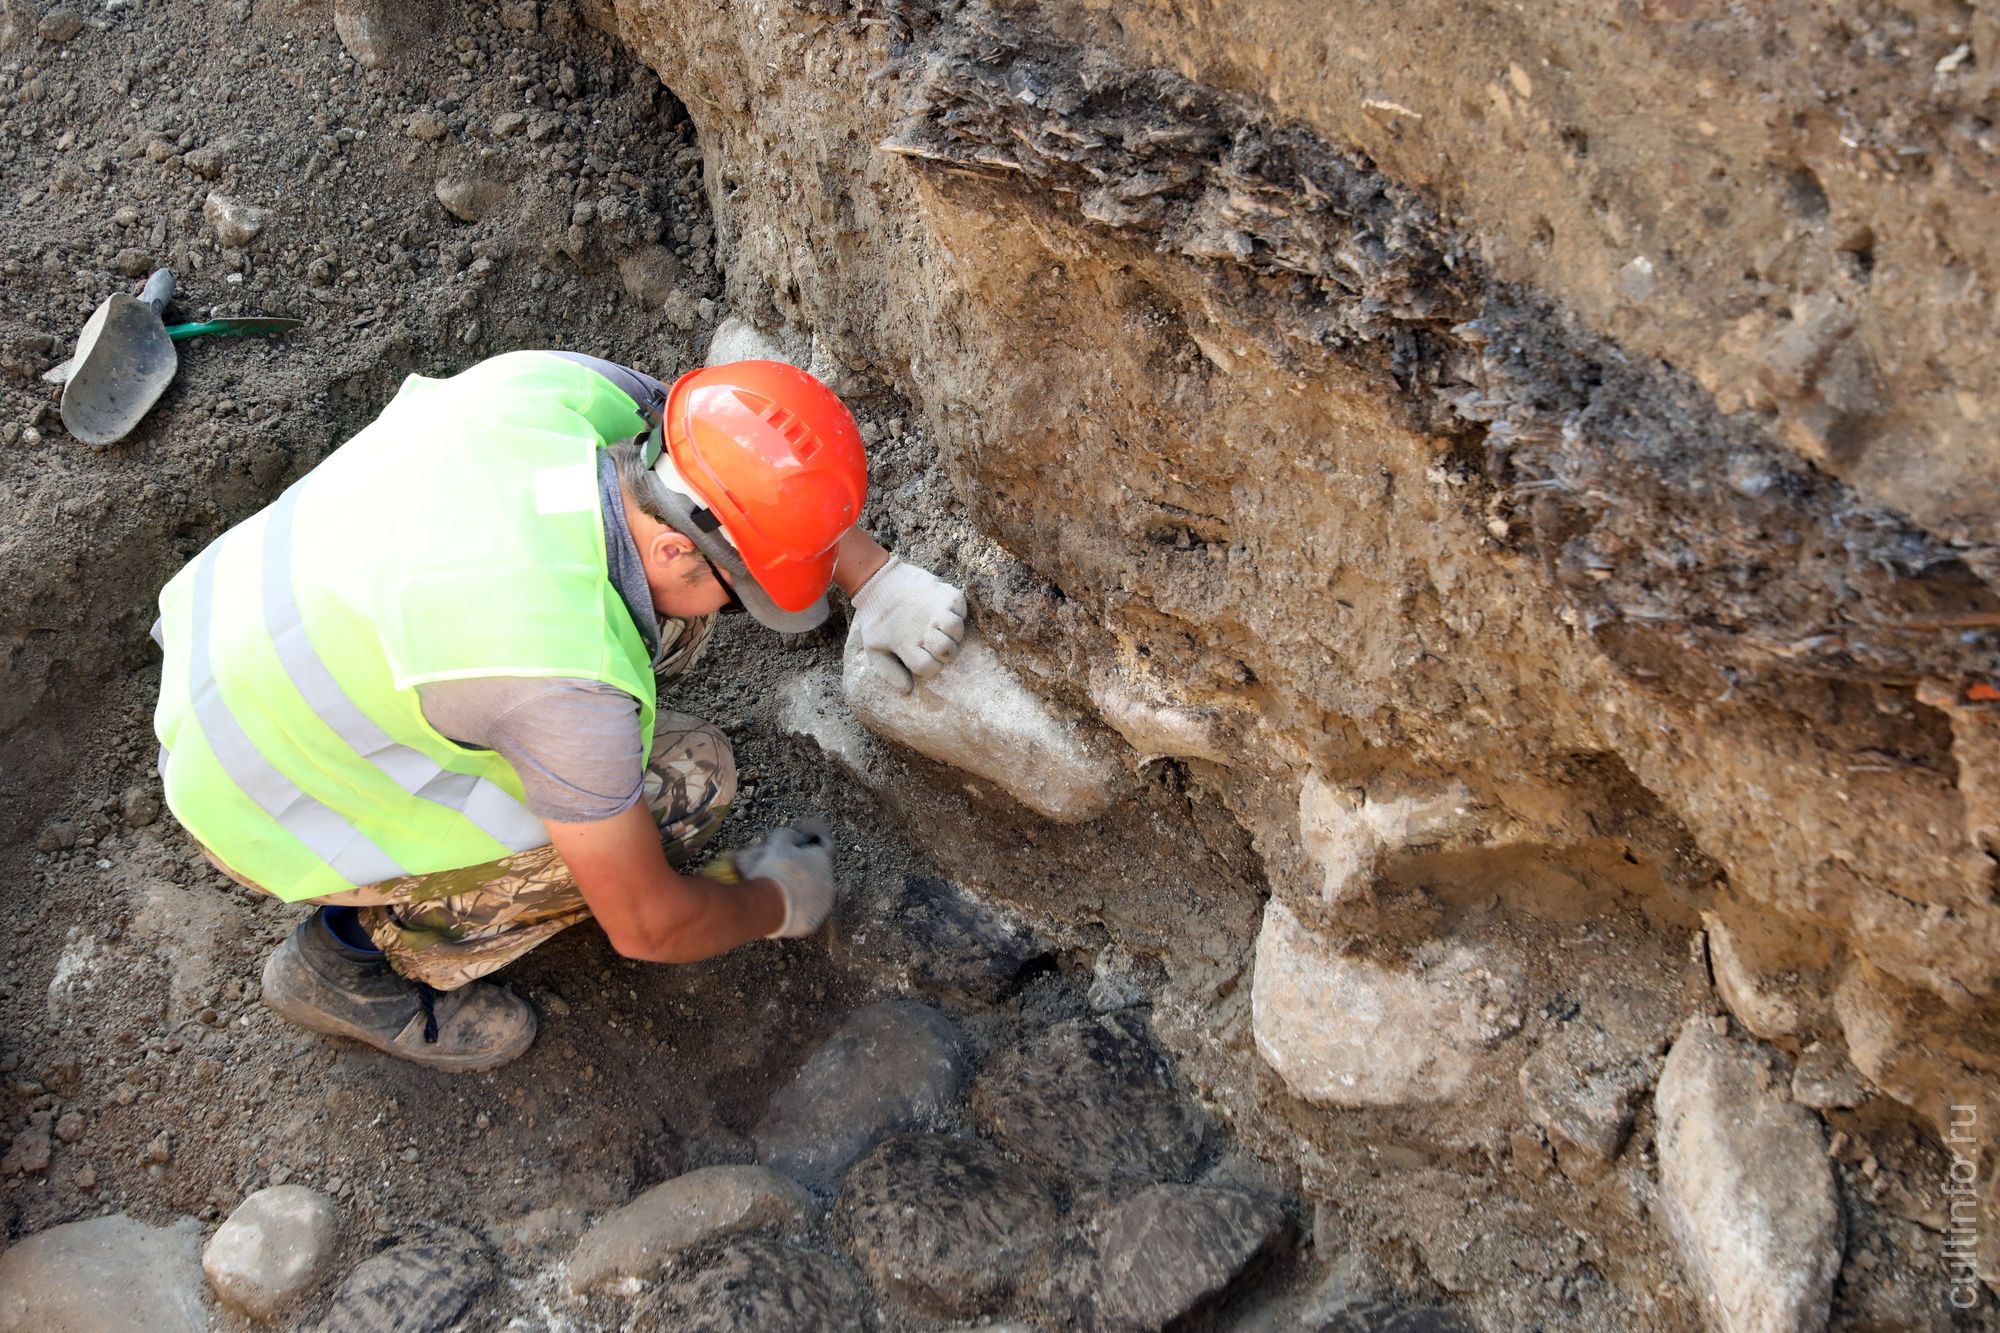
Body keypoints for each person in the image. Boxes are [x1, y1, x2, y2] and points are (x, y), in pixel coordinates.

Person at [150, 349, 968, 1070]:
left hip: (242, 629)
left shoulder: (563, 391)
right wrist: (775, 897)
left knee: (663, 639)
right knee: (691, 783)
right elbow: (648, 923)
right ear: (680, 545)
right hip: (255, 790)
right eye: (741, 583)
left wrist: (873, 574)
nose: (739, 604)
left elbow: (741, 455)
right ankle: (347, 961)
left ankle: (490, 756)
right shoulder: (560, 676)